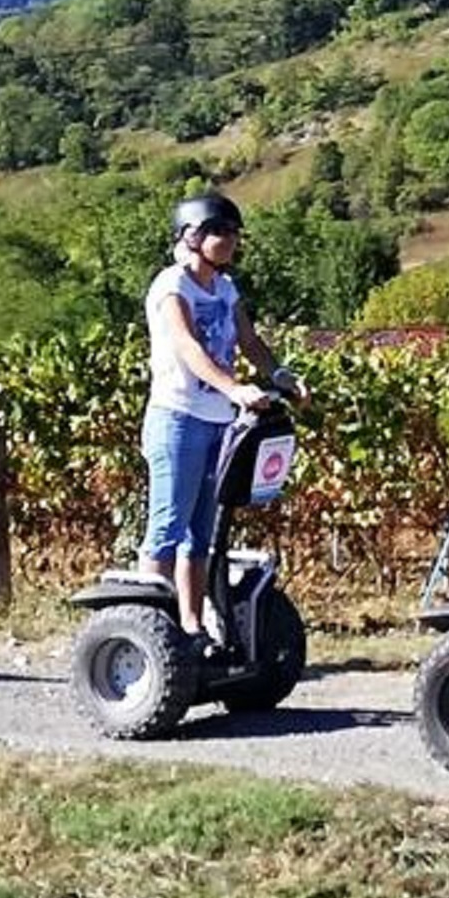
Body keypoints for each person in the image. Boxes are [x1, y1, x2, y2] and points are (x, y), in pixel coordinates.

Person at [142, 192, 286, 642]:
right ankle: (150, 626)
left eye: (234, 233)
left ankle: (190, 625)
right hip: (178, 419)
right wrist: (234, 388)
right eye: (221, 231)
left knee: (202, 532)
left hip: (218, 422)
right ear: (193, 235)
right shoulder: (172, 287)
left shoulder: (225, 288)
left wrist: (279, 374)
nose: (231, 241)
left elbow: (249, 340)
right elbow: (188, 347)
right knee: (168, 525)